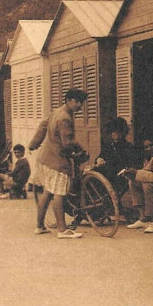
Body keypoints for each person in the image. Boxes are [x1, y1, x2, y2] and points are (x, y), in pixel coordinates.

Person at [28, 88, 88, 239]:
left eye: (81, 102)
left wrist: (33, 144)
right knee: (59, 193)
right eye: (77, 101)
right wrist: (81, 150)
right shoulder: (65, 118)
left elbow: (43, 127)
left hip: (45, 158)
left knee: (48, 191)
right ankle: (62, 229)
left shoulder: (57, 112)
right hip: (57, 160)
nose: (80, 105)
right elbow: (68, 142)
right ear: (68, 100)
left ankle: (40, 226)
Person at [123, 139, 153, 233]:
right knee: (133, 182)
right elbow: (146, 171)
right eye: (146, 147)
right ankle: (143, 218)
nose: (149, 149)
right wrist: (133, 174)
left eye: (151, 145)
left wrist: (138, 173)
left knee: (147, 185)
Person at [94, 117, 139, 195]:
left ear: (123, 133)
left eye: (119, 132)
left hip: (121, 177)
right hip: (108, 176)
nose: (116, 134)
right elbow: (100, 157)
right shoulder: (108, 146)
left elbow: (131, 164)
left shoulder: (129, 147)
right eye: (114, 132)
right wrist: (99, 159)